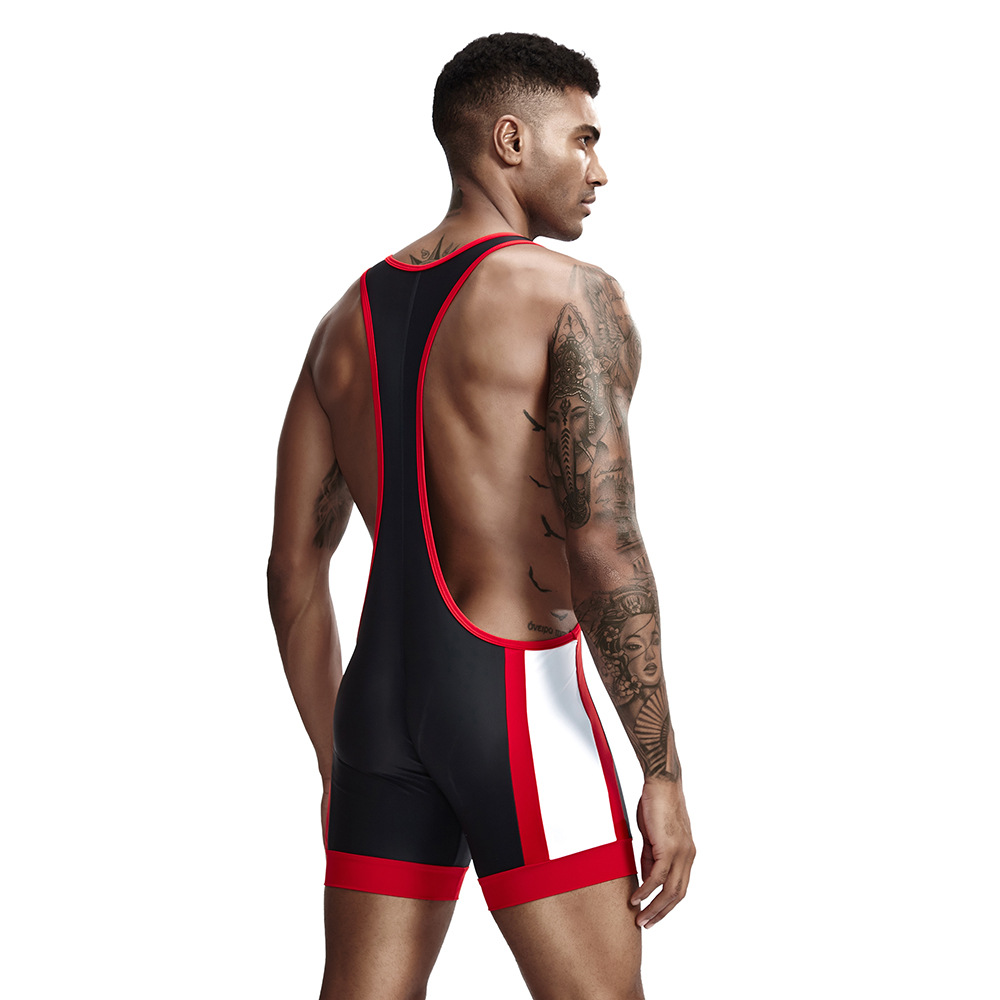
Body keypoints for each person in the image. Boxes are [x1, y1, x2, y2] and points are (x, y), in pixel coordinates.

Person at [267, 32, 695, 1000]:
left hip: (374, 713)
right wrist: (661, 771)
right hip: (510, 699)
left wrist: (338, 756)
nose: (599, 171)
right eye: (582, 139)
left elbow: (292, 566)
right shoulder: (571, 297)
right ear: (510, 140)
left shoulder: (343, 321)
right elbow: (603, 545)